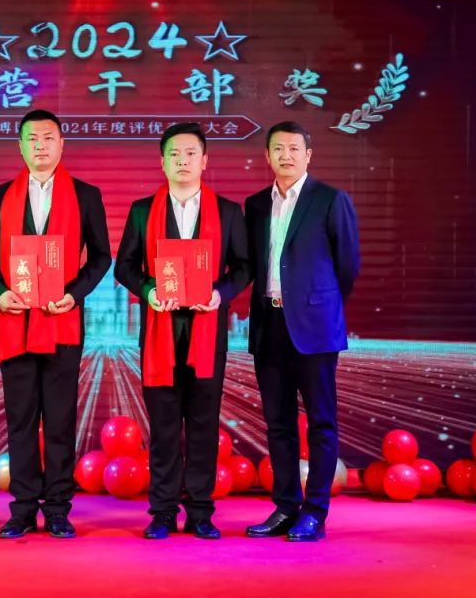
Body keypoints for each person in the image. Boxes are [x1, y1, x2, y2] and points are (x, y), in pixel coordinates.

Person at [0, 109, 111, 539]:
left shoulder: (85, 195)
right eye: (32, 139)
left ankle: (57, 509)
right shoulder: (1, 196)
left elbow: (102, 256)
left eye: (48, 138)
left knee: (59, 421)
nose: (40, 145)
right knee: (20, 420)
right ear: (20, 146)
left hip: (61, 322)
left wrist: (75, 293)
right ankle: (21, 509)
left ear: (61, 144)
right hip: (15, 321)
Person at [115, 122, 250, 540]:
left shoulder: (228, 212)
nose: (183, 161)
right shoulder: (142, 211)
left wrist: (220, 294)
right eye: (174, 154)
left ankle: (200, 512)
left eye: (191, 153)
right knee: (164, 428)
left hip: (208, 337)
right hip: (160, 337)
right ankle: (162, 512)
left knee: (204, 427)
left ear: (205, 161)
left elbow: (244, 267)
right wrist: (149, 291)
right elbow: (124, 267)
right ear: (162, 162)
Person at [243, 121, 360, 542]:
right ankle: (285, 506)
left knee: (321, 423)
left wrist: (315, 304)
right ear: (267, 156)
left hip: (314, 328)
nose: (286, 155)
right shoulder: (256, 204)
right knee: (278, 424)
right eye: (278, 148)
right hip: (269, 325)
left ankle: (315, 512)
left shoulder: (330, 200)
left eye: (294, 148)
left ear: (308, 155)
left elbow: (347, 266)